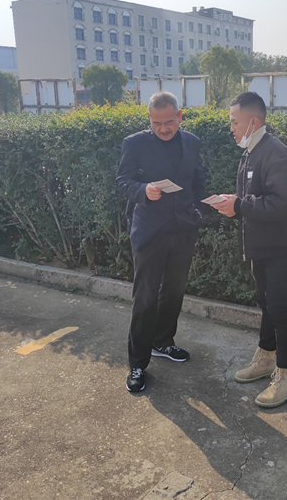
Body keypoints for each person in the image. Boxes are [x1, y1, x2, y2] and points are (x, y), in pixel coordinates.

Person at [215, 92, 287, 408]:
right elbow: (254, 198)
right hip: (262, 245)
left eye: (234, 122)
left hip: (281, 247)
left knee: (279, 309)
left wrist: (240, 205)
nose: (231, 128)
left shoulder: (276, 154)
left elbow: (284, 203)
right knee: (266, 303)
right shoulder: (251, 153)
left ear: (252, 122)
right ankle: (266, 357)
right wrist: (234, 203)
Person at [116, 91, 206, 393]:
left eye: (169, 122)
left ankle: (163, 341)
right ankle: (137, 364)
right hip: (150, 231)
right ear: (149, 120)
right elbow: (123, 181)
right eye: (157, 123)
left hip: (183, 230)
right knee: (145, 299)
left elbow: (198, 181)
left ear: (180, 116)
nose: (163, 128)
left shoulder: (192, 142)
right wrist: (143, 190)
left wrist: (199, 212)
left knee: (174, 292)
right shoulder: (135, 143)